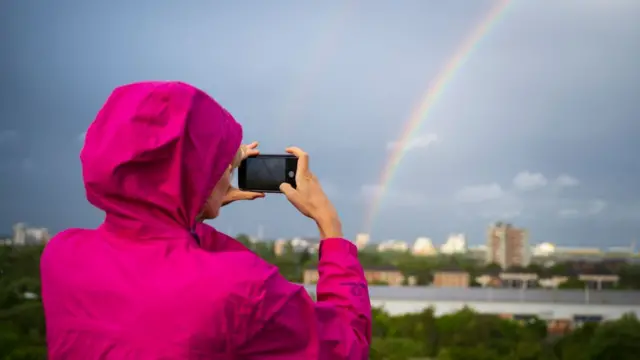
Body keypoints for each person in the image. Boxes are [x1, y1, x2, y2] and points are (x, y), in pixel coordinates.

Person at [40, 81, 372, 359]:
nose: (228, 177)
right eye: (222, 167)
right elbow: (347, 346)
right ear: (195, 175)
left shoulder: (61, 256)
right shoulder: (241, 289)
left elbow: (151, 266)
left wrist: (192, 206)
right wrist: (331, 229)